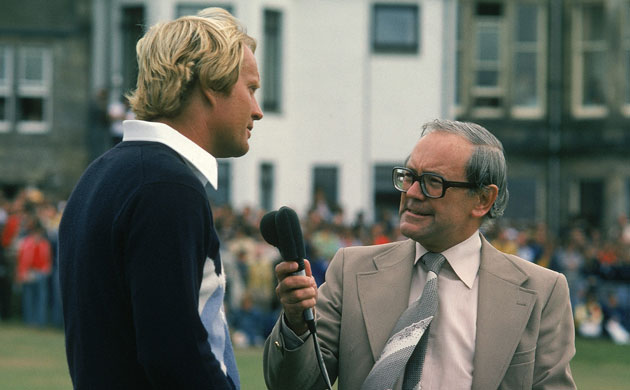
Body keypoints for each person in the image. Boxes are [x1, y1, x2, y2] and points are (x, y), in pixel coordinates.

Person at [263, 119, 576, 389]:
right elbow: (292, 385)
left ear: (482, 199)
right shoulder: (351, 270)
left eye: (431, 183)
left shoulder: (541, 291)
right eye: (409, 176)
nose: (411, 193)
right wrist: (296, 323)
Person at [58, 8, 262, 389]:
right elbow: (173, 354)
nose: (257, 110)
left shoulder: (101, 174)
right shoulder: (167, 188)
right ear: (210, 84)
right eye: (249, 88)